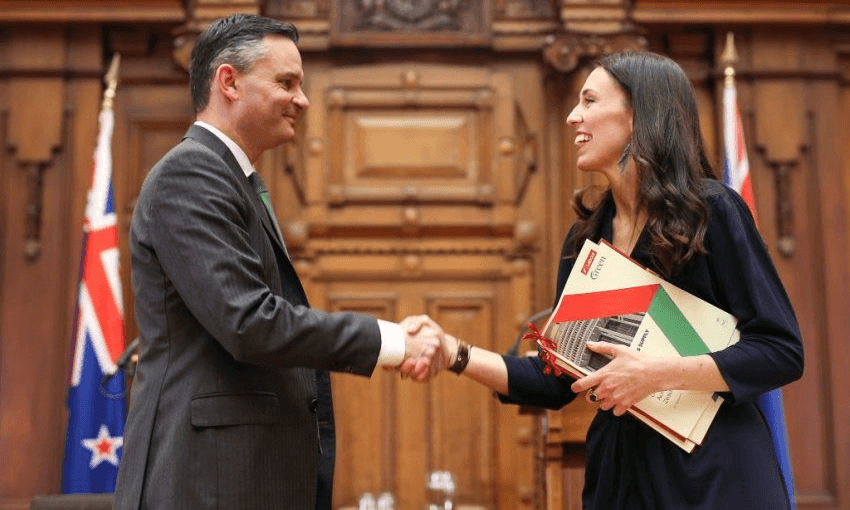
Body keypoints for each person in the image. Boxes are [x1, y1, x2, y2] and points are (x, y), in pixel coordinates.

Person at [409, 51, 804, 509]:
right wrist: (453, 353)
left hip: (714, 479)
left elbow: (781, 351)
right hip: (620, 481)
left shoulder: (712, 212)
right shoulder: (584, 240)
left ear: (639, 117)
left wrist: (656, 375)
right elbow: (555, 378)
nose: (573, 115)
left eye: (590, 100)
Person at [113, 14, 442, 510]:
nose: (302, 100)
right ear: (229, 81)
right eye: (286, 82)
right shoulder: (192, 173)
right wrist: (391, 340)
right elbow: (249, 322)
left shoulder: (230, 177)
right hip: (208, 483)